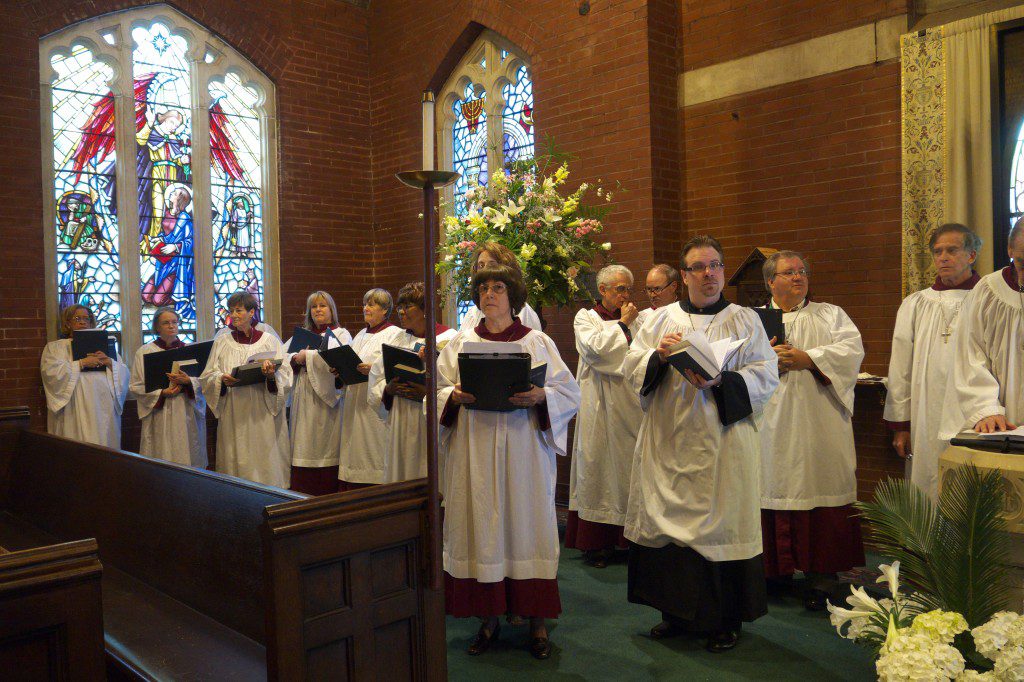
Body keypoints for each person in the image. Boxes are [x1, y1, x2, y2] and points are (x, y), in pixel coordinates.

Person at [621, 235, 778, 653]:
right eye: (699, 267)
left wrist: (721, 381)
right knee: (668, 527)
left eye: (715, 266)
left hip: (723, 442)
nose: (709, 274)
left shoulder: (745, 320)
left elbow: (766, 376)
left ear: (723, 272)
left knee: (720, 526)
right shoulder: (659, 320)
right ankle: (673, 613)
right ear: (684, 275)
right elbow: (630, 366)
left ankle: (725, 620)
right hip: (669, 439)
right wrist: (657, 357)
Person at [437, 264, 580, 660]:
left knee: (526, 526)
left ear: (513, 296)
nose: (489, 294)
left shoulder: (537, 342)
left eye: (498, 287)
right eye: (483, 288)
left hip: (524, 452)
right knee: (481, 525)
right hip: (475, 451)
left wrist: (541, 396)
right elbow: (437, 391)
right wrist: (452, 396)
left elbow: (570, 393)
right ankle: (488, 619)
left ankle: (537, 623)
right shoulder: (461, 343)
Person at [757, 251, 866, 610]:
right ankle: (773, 573)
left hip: (818, 422)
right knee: (770, 485)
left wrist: (809, 359)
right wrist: (767, 361)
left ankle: (822, 578)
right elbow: (733, 362)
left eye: (802, 271)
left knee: (819, 483)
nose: (798, 277)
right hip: (769, 424)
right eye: (789, 272)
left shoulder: (830, 314)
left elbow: (851, 352)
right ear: (770, 281)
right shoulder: (753, 320)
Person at [884, 224, 982, 498]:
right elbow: (900, 368)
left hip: (973, 413)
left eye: (952, 250)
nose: (943, 258)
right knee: (926, 485)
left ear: (971, 255)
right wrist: (901, 426)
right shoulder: (915, 303)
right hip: (924, 415)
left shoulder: (988, 300)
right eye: (938, 252)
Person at [565, 264, 643, 568]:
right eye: (620, 289)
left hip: (629, 403)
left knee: (626, 468)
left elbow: (639, 356)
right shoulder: (586, 317)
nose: (625, 295)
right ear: (603, 290)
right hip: (597, 403)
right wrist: (622, 325)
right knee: (597, 466)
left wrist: (626, 327)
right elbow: (596, 353)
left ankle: (629, 539)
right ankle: (598, 543)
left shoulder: (638, 320)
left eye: (628, 289)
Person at [939, 219, 1024, 439]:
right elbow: (969, 355)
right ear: (1010, 250)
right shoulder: (988, 291)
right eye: (1022, 263)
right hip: (1002, 426)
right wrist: (986, 409)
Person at [200, 292, 292, 488]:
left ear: (251, 312)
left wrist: (271, 376)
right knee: (237, 458)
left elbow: (285, 373)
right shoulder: (222, 342)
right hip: (234, 412)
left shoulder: (269, 340)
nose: (233, 315)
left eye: (239, 310)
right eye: (231, 311)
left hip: (262, 412)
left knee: (263, 459)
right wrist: (221, 379)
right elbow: (208, 376)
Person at [368, 282, 457, 483]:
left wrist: (427, 392)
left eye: (407, 306)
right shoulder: (396, 339)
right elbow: (376, 378)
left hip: (428, 421)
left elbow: (455, 383)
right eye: (400, 307)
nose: (401, 312)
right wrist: (388, 390)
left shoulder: (450, 339)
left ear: (426, 309)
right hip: (401, 419)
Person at [284, 291, 352, 495]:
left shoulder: (341, 334)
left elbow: (340, 359)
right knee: (302, 443)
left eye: (323, 306)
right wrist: (294, 359)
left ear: (332, 310)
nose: (318, 310)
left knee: (325, 445)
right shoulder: (302, 335)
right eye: (313, 307)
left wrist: (307, 356)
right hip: (303, 396)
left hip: (327, 402)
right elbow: (284, 357)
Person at [338, 288, 405, 490]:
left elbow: (395, 368)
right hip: (354, 403)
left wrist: (373, 369)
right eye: (365, 304)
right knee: (355, 450)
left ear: (385, 309)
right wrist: (340, 369)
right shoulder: (360, 334)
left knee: (374, 453)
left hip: (375, 408)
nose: (365, 308)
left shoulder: (395, 334)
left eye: (371, 304)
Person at [41, 304, 129, 448]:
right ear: (68, 323)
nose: (83, 322)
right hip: (75, 405)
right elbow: (51, 373)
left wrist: (109, 362)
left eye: (86, 319)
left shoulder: (105, 345)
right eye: (77, 318)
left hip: (103, 405)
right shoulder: (56, 347)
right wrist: (81, 363)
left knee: (104, 442)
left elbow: (124, 373)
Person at [129, 307, 207, 466]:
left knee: (188, 452)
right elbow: (136, 385)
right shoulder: (145, 352)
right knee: (161, 451)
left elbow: (204, 380)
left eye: (174, 322)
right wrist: (162, 392)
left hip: (185, 409)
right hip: (160, 411)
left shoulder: (189, 350)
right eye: (166, 323)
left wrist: (189, 381)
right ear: (157, 327)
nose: (171, 326)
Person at [458, 242, 543, 332]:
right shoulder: (472, 314)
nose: (485, 270)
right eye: (481, 265)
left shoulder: (524, 313)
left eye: (492, 265)